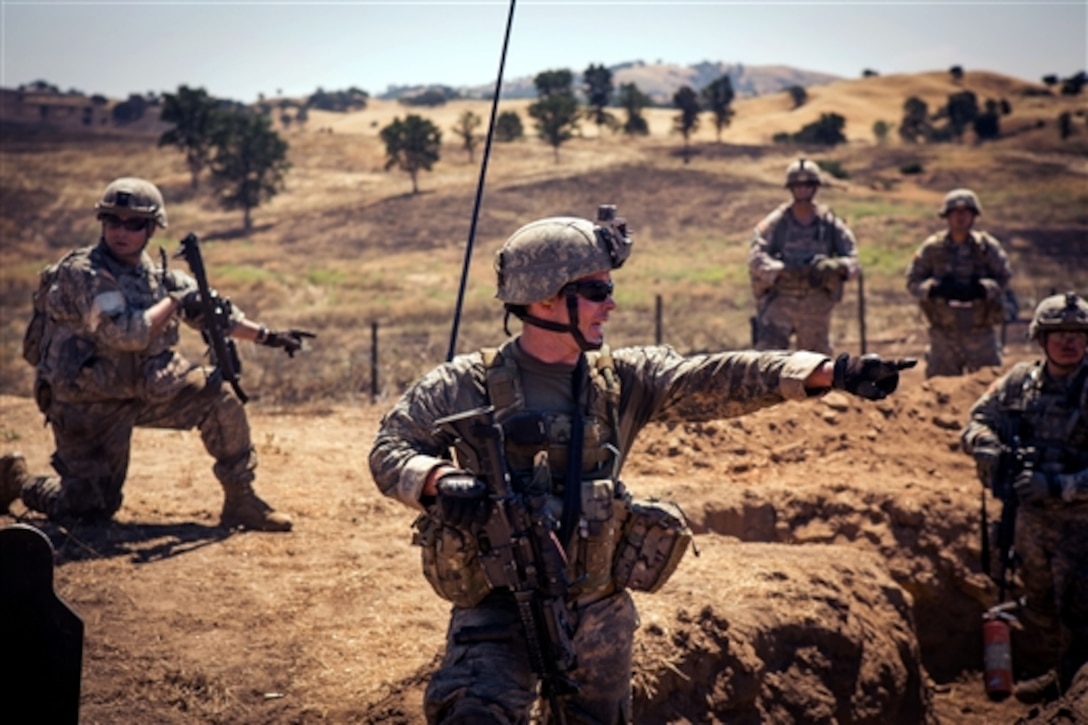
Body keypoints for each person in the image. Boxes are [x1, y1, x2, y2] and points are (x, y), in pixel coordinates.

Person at [369, 208, 914, 723]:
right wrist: (437, 480)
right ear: (544, 300)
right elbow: (391, 447)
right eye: (597, 291)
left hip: (599, 612)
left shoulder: (623, 379)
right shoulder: (464, 383)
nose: (612, 305)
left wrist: (827, 372)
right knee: (474, 713)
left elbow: (715, 377)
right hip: (497, 607)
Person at [0, 177, 311, 532]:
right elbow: (126, 333)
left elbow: (215, 315)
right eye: (112, 220)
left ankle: (242, 499)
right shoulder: (83, 273)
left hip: (148, 390)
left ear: (151, 228)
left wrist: (269, 336)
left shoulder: (157, 277)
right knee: (89, 509)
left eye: (134, 223)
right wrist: (177, 301)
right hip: (88, 401)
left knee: (219, 397)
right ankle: (18, 480)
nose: (122, 230)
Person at [961, 292, 1088, 703]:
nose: (1068, 342)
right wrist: (987, 446)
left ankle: (1075, 689)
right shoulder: (1019, 383)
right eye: (1058, 334)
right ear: (1041, 338)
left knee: (1080, 612)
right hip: (1029, 521)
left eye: (1077, 334)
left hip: (1082, 524)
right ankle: (1062, 677)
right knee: (1040, 603)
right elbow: (978, 420)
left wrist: (1059, 486)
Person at [748, 158, 860, 356]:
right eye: (797, 185)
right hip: (781, 300)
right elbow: (756, 256)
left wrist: (834, 266)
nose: (803, 190)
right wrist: (780, 269)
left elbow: (853, 260)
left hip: (816, 301)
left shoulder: (828, 223)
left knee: (815, 364)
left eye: (808, 185)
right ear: (791, 188)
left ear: (815, 188)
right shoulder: (778, 221)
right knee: (767, 361)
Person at [906, 188, 1012, 378]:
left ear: (974, 216)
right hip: (944, 333)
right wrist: (934, 289)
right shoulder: (932, 248)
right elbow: (913, 281)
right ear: (947, 216)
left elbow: (1004, 277)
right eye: (955, 212)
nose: (960, 217)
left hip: (980, 332)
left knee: (989, 385)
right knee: (939, 390)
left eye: (966, 212)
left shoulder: (986, 247)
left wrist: (981, 289)